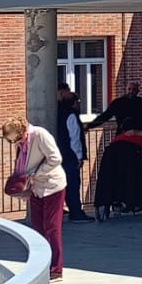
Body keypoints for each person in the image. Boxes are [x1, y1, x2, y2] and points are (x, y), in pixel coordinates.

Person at [2, 118, 68, 280]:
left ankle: (56, 268)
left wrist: (35, 174)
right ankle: (41, 266)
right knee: (38, 227)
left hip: (52, 185)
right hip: (35, 188)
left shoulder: (40, 134)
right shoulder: (22, 143)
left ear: (22, 132)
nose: (16, 143)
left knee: (52, 227)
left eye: (16, 139)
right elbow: (22, 163)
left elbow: (55, 158)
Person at [80, 81, 142, 214]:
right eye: (130, 89)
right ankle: (132, 198)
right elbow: (105, 116)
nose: (131, 91)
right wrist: (91, 125)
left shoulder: (135, 103)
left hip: (126, 140)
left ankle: (117, 198)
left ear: (137, 90)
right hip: (133, 141)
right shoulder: (121, 103)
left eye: (133, 89)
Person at [56, 83, 88, 220]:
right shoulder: (71, 116)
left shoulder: (57, 112)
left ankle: (61, 209)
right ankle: (76, 212)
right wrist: (79, 156)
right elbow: (74, 138)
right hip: (69, 156)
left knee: (60, 185)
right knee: (73, 184)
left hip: (59, 154)